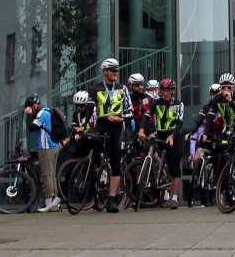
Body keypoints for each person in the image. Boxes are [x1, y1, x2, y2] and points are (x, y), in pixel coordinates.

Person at [79, 58, 133, 213]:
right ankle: (92, 167)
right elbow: (89, 109)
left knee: (116, 162)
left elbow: (130, 112)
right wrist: (83, 125)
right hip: (101, 125)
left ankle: (111, 199)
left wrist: (121, 118)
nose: (115, 73)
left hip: (117, 128)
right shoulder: (95, 88)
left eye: (117, 70)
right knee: (83, 140)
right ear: (105, 71)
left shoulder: (122, 88)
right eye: (112, 70)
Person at [139, 79, 184, 209]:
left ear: (173, 91)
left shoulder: (179, 104)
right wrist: (141, 130)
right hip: (160, 135)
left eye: (168, 91)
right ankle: (147, 176)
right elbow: (146, 116)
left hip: (174, 136)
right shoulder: (156, 103)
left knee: (174, 166)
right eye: (163, 91)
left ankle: (174, 197)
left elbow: (179, 123)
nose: (165, 94)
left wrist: (172, 136)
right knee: (145, 150)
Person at [24, 94, 62, 212]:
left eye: (31, 108)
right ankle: (54, 204)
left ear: (34, 106)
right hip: (53, 147)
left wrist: (29, 115)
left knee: (47, 175)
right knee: (52, 175)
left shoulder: (42, 114)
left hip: (47, 148)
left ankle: (48, 203)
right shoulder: (48, 111)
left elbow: (31, 127)